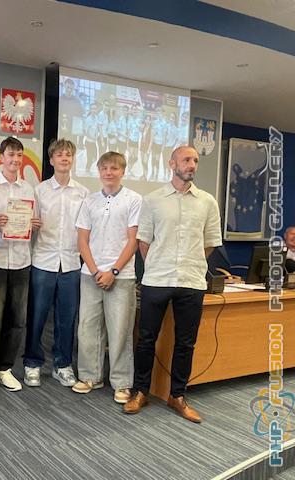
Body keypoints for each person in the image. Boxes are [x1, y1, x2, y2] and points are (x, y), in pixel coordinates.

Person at [124, 145, 222, 423]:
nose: (192, 165)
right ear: (172, 164)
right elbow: (144, 241)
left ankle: (177, 395)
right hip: (157, 279)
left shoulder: (207, 202)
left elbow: (210, 243)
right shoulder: (152, 200)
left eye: (195, 160)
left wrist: (190, 262)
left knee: (186, 343)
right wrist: (158, 263)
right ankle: (140, 392)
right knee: (146, 339)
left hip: (191, 280)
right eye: (186, 160)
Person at [73, 152, 141, 404]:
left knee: (120, 330)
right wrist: (94, 271)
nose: (109, 173)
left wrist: (113, 271)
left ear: (122, 171)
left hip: (121, 276)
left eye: (114, 168)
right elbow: (82, 240)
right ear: (99, 171)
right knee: (87, 328)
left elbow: (133, 241)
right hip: (90, 275)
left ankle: (121, 383)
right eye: (104, 168)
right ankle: (90, 376)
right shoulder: (89, 201)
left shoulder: (134, 200)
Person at [23, 139, 89, 388]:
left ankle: (62, 365)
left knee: (66, 318)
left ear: (72, 160)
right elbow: (28, 225)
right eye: (59, 155)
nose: (64, 158)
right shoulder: (39, 191)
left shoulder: (83, 193)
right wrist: (29, 225)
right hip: (43, 260)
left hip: (71, 262)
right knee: (37, 316)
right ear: (51, 160)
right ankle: (32, 363)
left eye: (68, 155)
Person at [0, 137, 39, 395]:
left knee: (18, 320)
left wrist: (33, 223)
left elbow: (32, 220)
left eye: (19, 155)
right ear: (1, 158)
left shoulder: (29, 189)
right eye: (10, 155)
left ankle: (4, 368)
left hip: (22, 260)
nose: (15, 160)